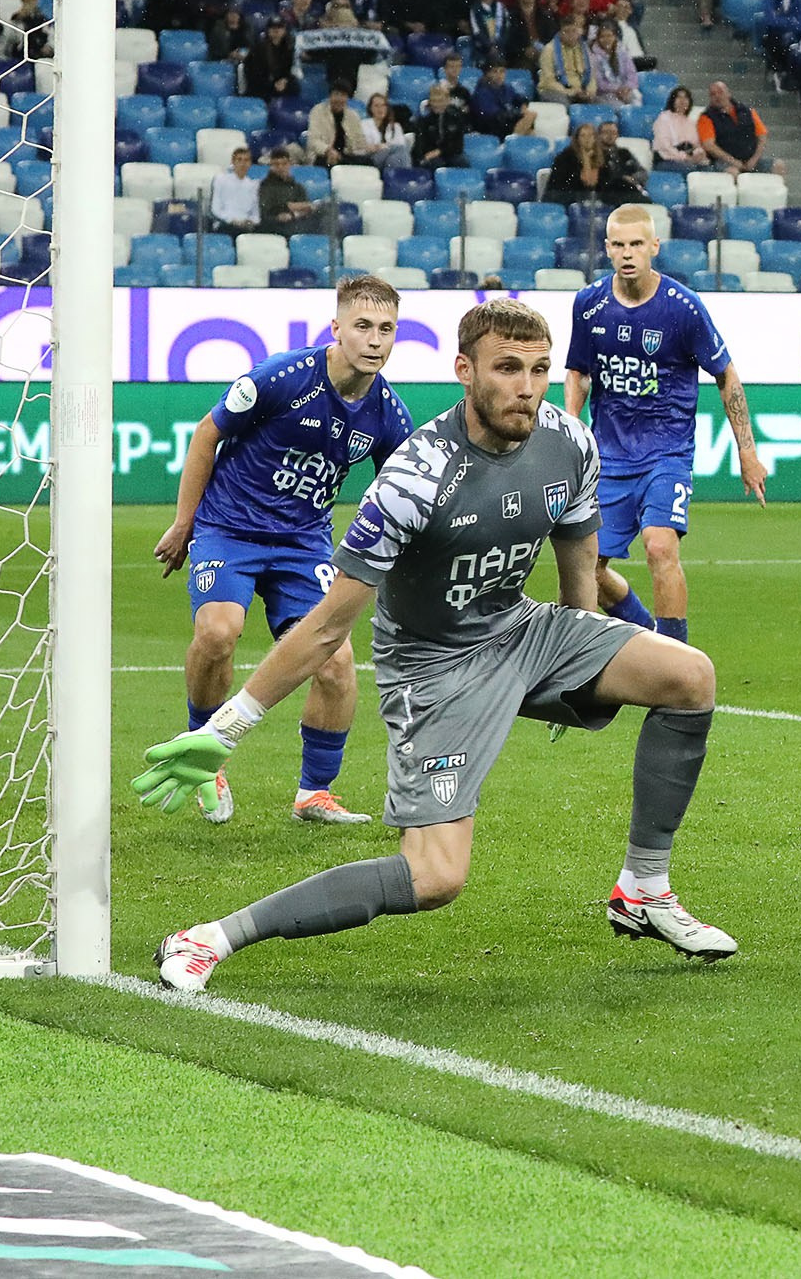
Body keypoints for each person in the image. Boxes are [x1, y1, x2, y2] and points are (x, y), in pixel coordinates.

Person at [142, 300, 740, 991]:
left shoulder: (570, 440)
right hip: (434, 667)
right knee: (435, 876)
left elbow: (578, 565)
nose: (528, 385)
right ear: (464, 370)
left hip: (522, 630)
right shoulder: (414, 477)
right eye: (508, 368)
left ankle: (644, 888)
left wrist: (586, 654)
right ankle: (208, 937)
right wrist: (229, 725)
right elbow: (328, 628)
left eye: (541, 369)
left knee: (690, 675)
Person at [147, 277, 414, 828]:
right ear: (335, 328)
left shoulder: (388, 413)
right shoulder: (284, 377)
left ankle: (314, 794)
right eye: (362, 327)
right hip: (230, 529)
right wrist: (184, 523)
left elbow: (399, 487)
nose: (374, 340)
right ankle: (205, 753)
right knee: (219, 633)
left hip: (303, 542)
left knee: (336, 662)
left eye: (385, 329)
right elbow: (206, 434)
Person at [565, 205, 770, 649]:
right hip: (609, 457)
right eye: (618, 244)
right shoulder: (589, 304)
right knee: (589, 569)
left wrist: (747, 451)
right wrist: (571, 429)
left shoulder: (683, 308)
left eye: (637, 244)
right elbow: (579, 372)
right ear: (606, 249)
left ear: (654, 247)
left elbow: (726, 374)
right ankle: (645, 636)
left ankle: (675, 657)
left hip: (666, 453)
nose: (627, 253)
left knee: (659, 546)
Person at [206, 144, 259, 233]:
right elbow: (215, 209)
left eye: (246, 160)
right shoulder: (221, 180)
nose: (243, 163)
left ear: (250, 163)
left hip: (246, 225)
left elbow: (255, 213)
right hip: (225, 223)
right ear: (233, 162)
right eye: (239, 160)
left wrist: (251, 221)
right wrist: (231, 220)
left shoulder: (253, 185)